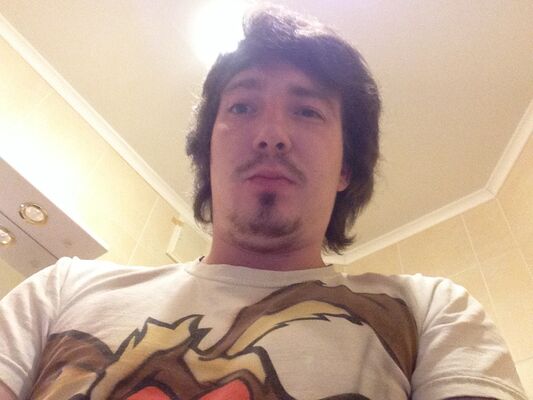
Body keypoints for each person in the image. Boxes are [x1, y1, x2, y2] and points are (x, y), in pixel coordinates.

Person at [0, 6, 527, 400]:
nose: (271, 135)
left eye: (307, 112)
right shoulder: (60, 290)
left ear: (346, 168)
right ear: (207, 151)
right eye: (243, 106)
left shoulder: (429, 311)